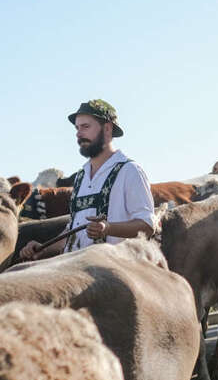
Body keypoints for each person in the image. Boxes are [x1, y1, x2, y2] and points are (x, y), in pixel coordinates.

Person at [20, 100, 155, 260]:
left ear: (107, 129)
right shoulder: (81, 177)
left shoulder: (129, 171)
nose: (78, 133)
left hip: (113, 270)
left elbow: (147, 225)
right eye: (77, 128)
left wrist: (108, 228)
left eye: (85, 127)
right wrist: (43, 249)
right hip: (75, 268)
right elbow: (73, 235)